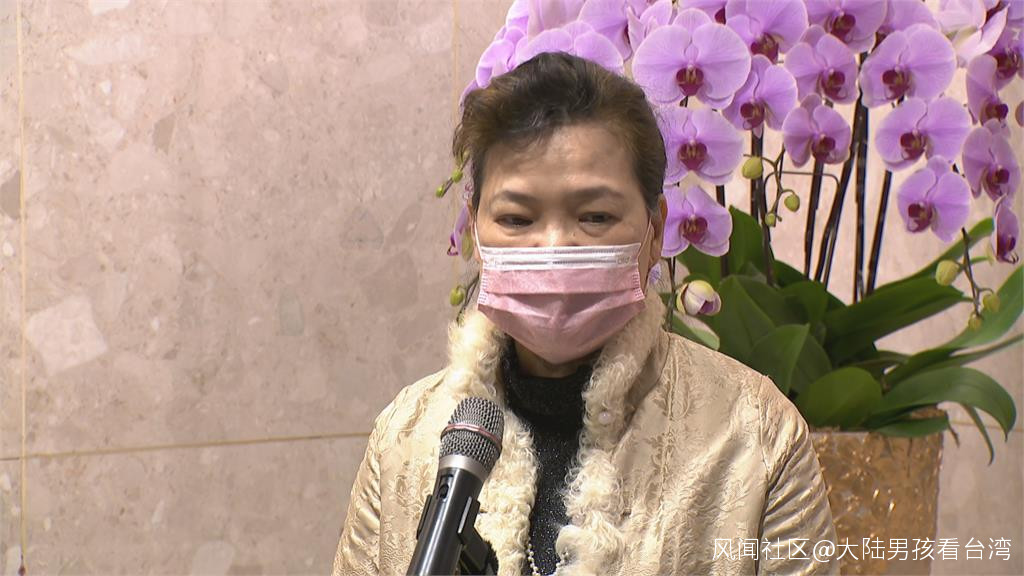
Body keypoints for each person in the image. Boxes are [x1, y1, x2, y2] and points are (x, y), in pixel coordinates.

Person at [333, 51, 839, 576]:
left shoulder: (755, 434)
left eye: (595, 216)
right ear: (476, 236)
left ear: (655, 232)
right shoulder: (405, 437)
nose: (554, 247)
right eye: (517, 219)